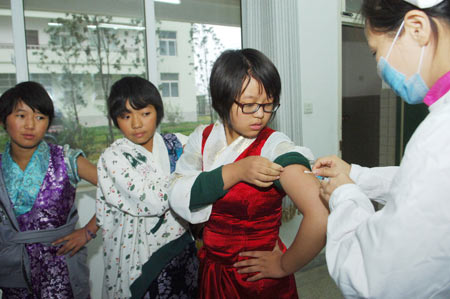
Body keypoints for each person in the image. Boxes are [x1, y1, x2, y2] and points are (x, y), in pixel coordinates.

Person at [312, 0, 450, 298]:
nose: (380, 69)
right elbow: (425, 185)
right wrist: (355, 176)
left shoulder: (440, 134)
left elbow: (372, 279)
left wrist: (345, 196)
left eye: (377, 52)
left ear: (416, 28)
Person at [168, 48, 329, 299]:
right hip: (212, 273)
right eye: (249, 105)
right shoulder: (203, 138)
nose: (260, 115)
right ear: (222, 100)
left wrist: (284, 264)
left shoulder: (273, 146)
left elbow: (319, 215)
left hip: (256, 282)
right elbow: (179, 192)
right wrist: (237, 171)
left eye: (268, 104)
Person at [96, 76, 198, 299]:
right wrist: (192, 183)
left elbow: (208, 152)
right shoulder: (113, 158)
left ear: (158, 112)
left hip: (182, 249)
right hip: (141, 261)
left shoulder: (176, 143)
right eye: (126, 116)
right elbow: (153, 200)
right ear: (115, 119)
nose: (136, 124)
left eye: (145, 113)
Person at [0, 81, 97, 299]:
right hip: (13, 269)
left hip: (61, 266)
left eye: (40, 117)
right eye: (21, 115)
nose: (30, 125)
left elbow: (118, 190)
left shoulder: (66, 159)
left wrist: (87, 232)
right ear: (4, 120)